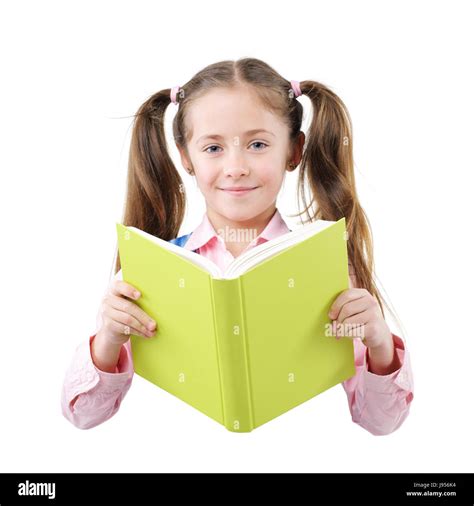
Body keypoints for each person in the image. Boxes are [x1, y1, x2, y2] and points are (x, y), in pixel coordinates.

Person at [61, 57, 414, 434]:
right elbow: (82, 415)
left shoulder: (328, 269)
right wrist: (109, 339)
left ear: (293, 152)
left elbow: (382, 423)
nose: (236, 167)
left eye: (258, 144)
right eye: (213, 148)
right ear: (186, 157)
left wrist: (379, 343)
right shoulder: (153, 270)